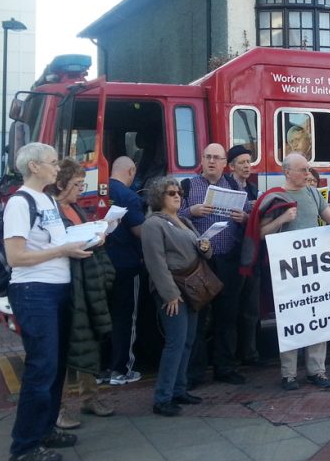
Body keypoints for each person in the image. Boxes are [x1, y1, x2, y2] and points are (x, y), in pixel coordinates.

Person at [4, 143, 92, 461]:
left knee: (54, 367)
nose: (58, 168)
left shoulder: (47, 201)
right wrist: (62, 252)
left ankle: (45, 430)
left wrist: (85, 240)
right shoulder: (20, 202)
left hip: (56, 289)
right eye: (53, 163)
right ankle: (23, 447)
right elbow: (16, 256)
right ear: (35, 167)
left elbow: (56, 241)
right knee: (41, 368)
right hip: (34, 290)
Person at [256, 152, 330, 390]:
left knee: (317, 316)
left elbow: (329, 217)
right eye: (303, 170)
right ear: (287, 171)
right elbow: (261, 233)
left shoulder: (312, 193)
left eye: (308, 169)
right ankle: (288, 374)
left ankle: (317, 371)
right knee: (291, 317)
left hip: (312, 266)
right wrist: (282, 220)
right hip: (287, 269)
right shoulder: (274, 198)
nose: (307, 174)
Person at [52, 159, 115, 430]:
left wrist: (97, 235)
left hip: (85, 285)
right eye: (78, 184)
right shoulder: (51, 210)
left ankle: (90, 398)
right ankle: (60, 407)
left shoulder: (74, 207)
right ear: (61, 184)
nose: (82, 189)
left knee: (89, 342)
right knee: (66, 349)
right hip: (68, 287)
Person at [141, 177, 212, 416]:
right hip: (174, 290)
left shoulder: (182, 221)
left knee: (188, 340)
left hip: (192, 288)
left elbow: (203, 249)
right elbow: (156, 262)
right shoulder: (153, 224)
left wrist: (205, 247)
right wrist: (169, 295)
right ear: (159, 197)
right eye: (171, 193)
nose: (177, 196)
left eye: (179, 192)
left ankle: (179, 389)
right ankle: (162, 397)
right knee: (175, 342)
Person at [181, 143, 249, 385]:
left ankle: (225, 368)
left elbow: (250, 215)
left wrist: (244, 218)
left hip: (228, 260)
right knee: (198, 318)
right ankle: (194, 373)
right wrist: (191, 211)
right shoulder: (188, 186)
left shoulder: (233, 185)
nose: (211, 161)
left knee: (227, 317)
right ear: (202, 159)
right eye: (208, 157)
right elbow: (171, 218)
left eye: (217, 158)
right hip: (199, 261)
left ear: (224, 164)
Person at [102, 156, 145, 386]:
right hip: (126, 265)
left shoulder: (98, 191)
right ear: (131, 171)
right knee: (125, 319)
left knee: (103, 317)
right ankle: (121, 370)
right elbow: (140, 231)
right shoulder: (130, 197)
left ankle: (102, 370)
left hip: (101, 265)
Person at [226, 144, 262, 366]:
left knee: (251, 307)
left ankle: (250, 353)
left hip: (251, 255)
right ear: (231, 166)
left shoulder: (252, 189)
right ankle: (232, 358)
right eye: (242, 162)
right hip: (231, 255)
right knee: (231, 309)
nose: (247, 166)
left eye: (249, 162)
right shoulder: (226, 187)